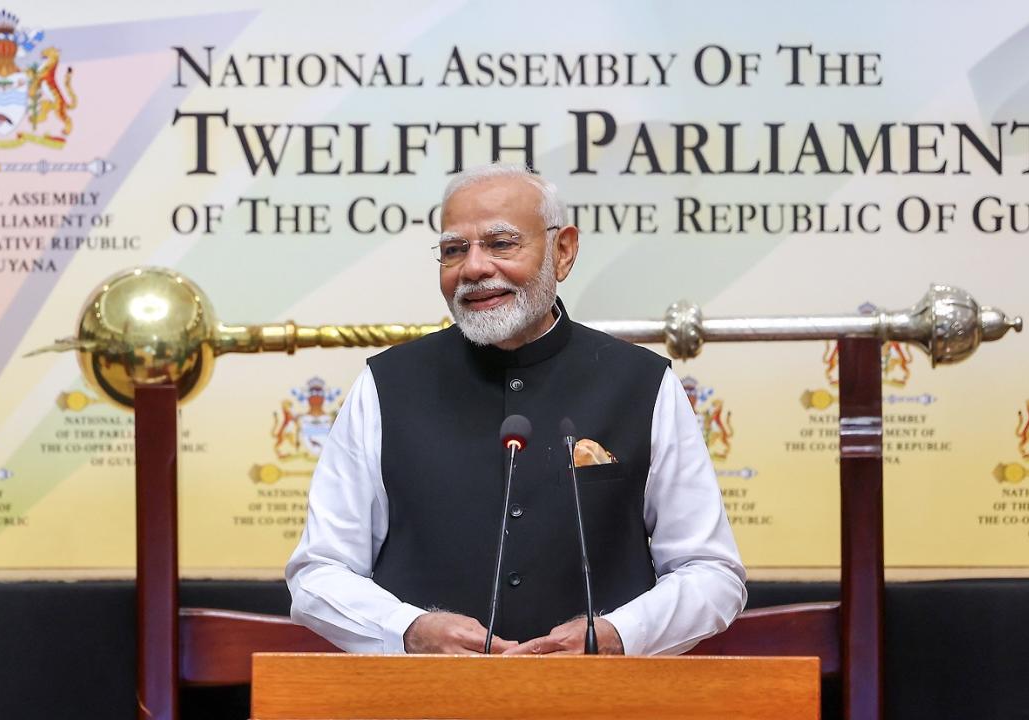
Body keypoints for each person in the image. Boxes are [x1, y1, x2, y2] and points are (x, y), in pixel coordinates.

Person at [287, 163, 746, 656]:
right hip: (424, 703)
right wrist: (408, 631)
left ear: (563, 251)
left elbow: (712, 573)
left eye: (501, 243)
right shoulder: (384, 386)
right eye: (454, 250)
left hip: (598, 704)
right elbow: (319, 572)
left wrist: (619, 635)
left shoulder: (643, 384)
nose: (474, 268)